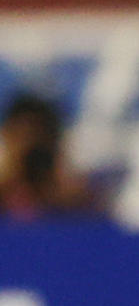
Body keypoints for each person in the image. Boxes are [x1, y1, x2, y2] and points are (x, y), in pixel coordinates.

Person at [0, 93, 98, 221]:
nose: (31, 143)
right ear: (7, 135)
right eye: (23, 135)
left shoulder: (80, 202)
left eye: (40, 134)